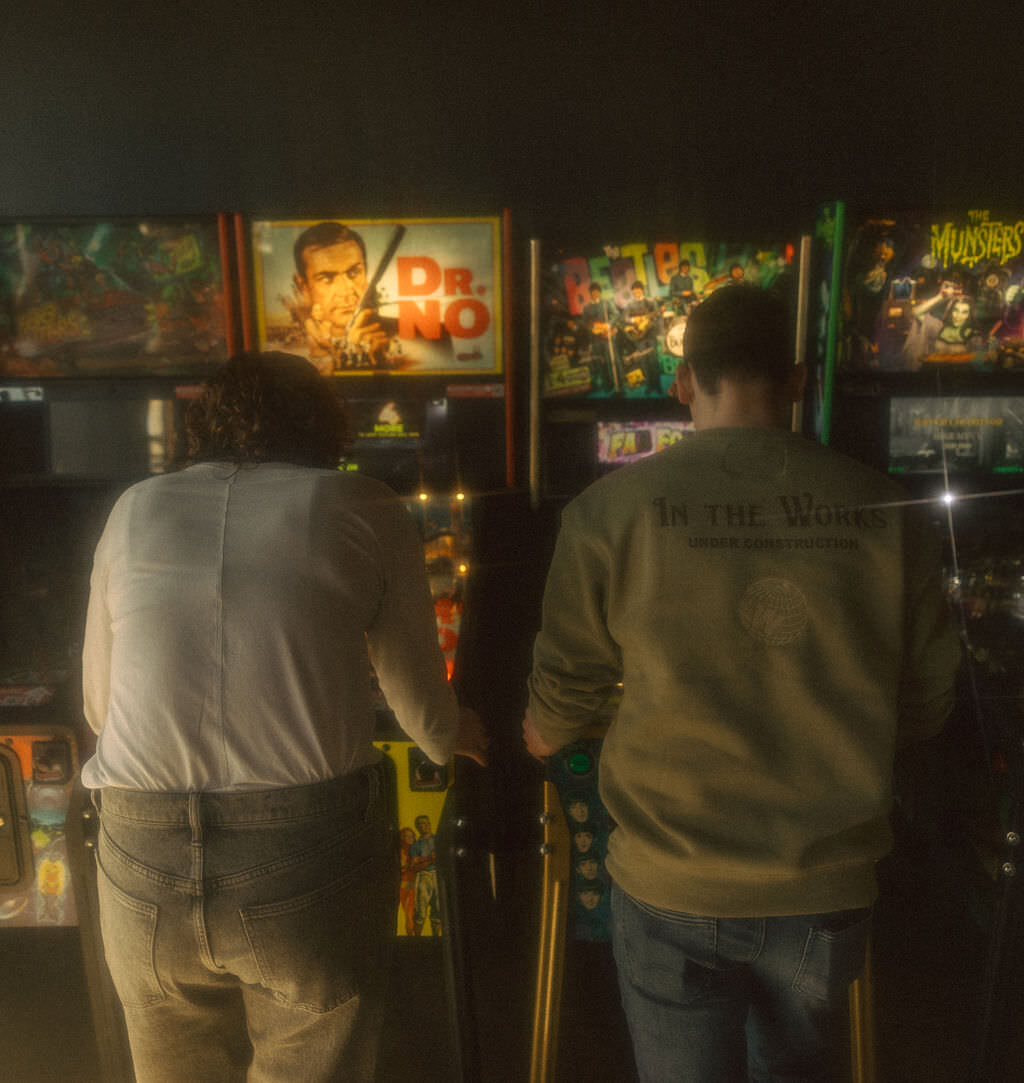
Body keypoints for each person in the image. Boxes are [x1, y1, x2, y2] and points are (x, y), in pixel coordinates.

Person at [523, 286, 960, 1082]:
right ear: (797, 381)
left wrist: (546, 730)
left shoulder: (607, 509)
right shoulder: (889, 507)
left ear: (684, 382)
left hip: (669, 879)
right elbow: (930, 697)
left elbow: (565, 688)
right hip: (824, 882)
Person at [81, 351, 488, 1083]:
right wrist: (460, 734)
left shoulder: (136, 507)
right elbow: (421, 706)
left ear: (207, 419)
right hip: (301, 856)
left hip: (140, 851)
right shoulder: (361, 504)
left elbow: (97, 706)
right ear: (325, 425)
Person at [291, 221, 453, 374]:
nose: (346, 290)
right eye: (327, 278)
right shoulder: (291, 354)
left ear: (366, 274)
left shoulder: (432, 339)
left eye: (354, 272)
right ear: (303, 286)